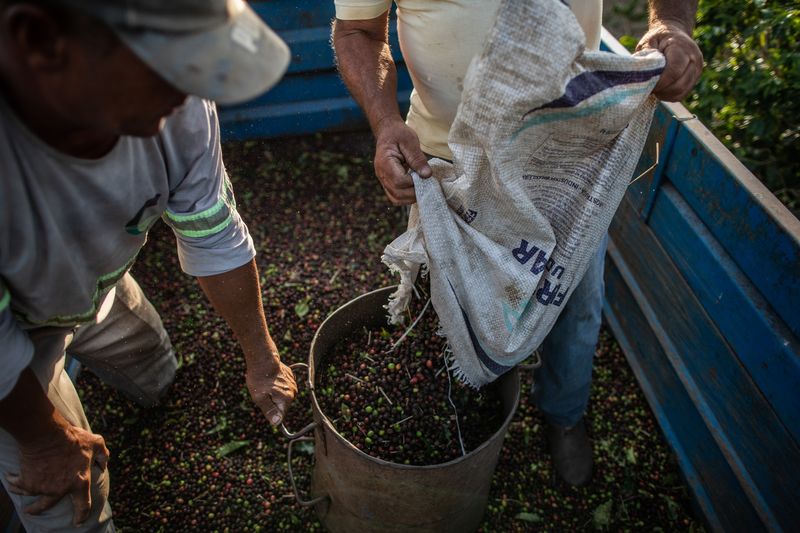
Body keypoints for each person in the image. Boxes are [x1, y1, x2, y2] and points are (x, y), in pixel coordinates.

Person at [332, 0, 702, 486]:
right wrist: (384, 125)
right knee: (442, 308)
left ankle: (564, 414)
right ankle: (454, 414)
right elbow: (357, 31)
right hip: (443, 163)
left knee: (574, 306)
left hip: (566, 159)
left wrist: (672, 23)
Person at [0, 0, 298, 530]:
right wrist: (44, 440)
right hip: (14, 354)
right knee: (70, 505)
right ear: (40, 41)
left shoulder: (176, 103)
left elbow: (214, 235)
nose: (194, 84)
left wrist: (262, 356)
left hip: (99, 285)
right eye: (169, 59)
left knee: (155, 365)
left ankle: (157, 397)